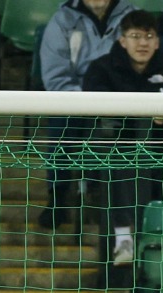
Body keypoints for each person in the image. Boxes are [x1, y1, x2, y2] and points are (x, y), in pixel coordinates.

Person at [82, 10, 163, 267]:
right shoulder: (101, 68)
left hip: (162, 147)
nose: (142, 43)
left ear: (157, 41)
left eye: (149, 36)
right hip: (116, 146)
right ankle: (123, 238)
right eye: (135, 36)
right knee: (124, 162)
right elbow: (96, 106)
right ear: (122, 40)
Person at [37, 0, 135, 230]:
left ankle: (108, 193)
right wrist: (87, 99)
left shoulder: (131, 17)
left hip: (120, 97)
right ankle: (58, 196)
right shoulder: (62, 21)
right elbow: (55, 78)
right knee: (62, 122)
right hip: (76, 97)